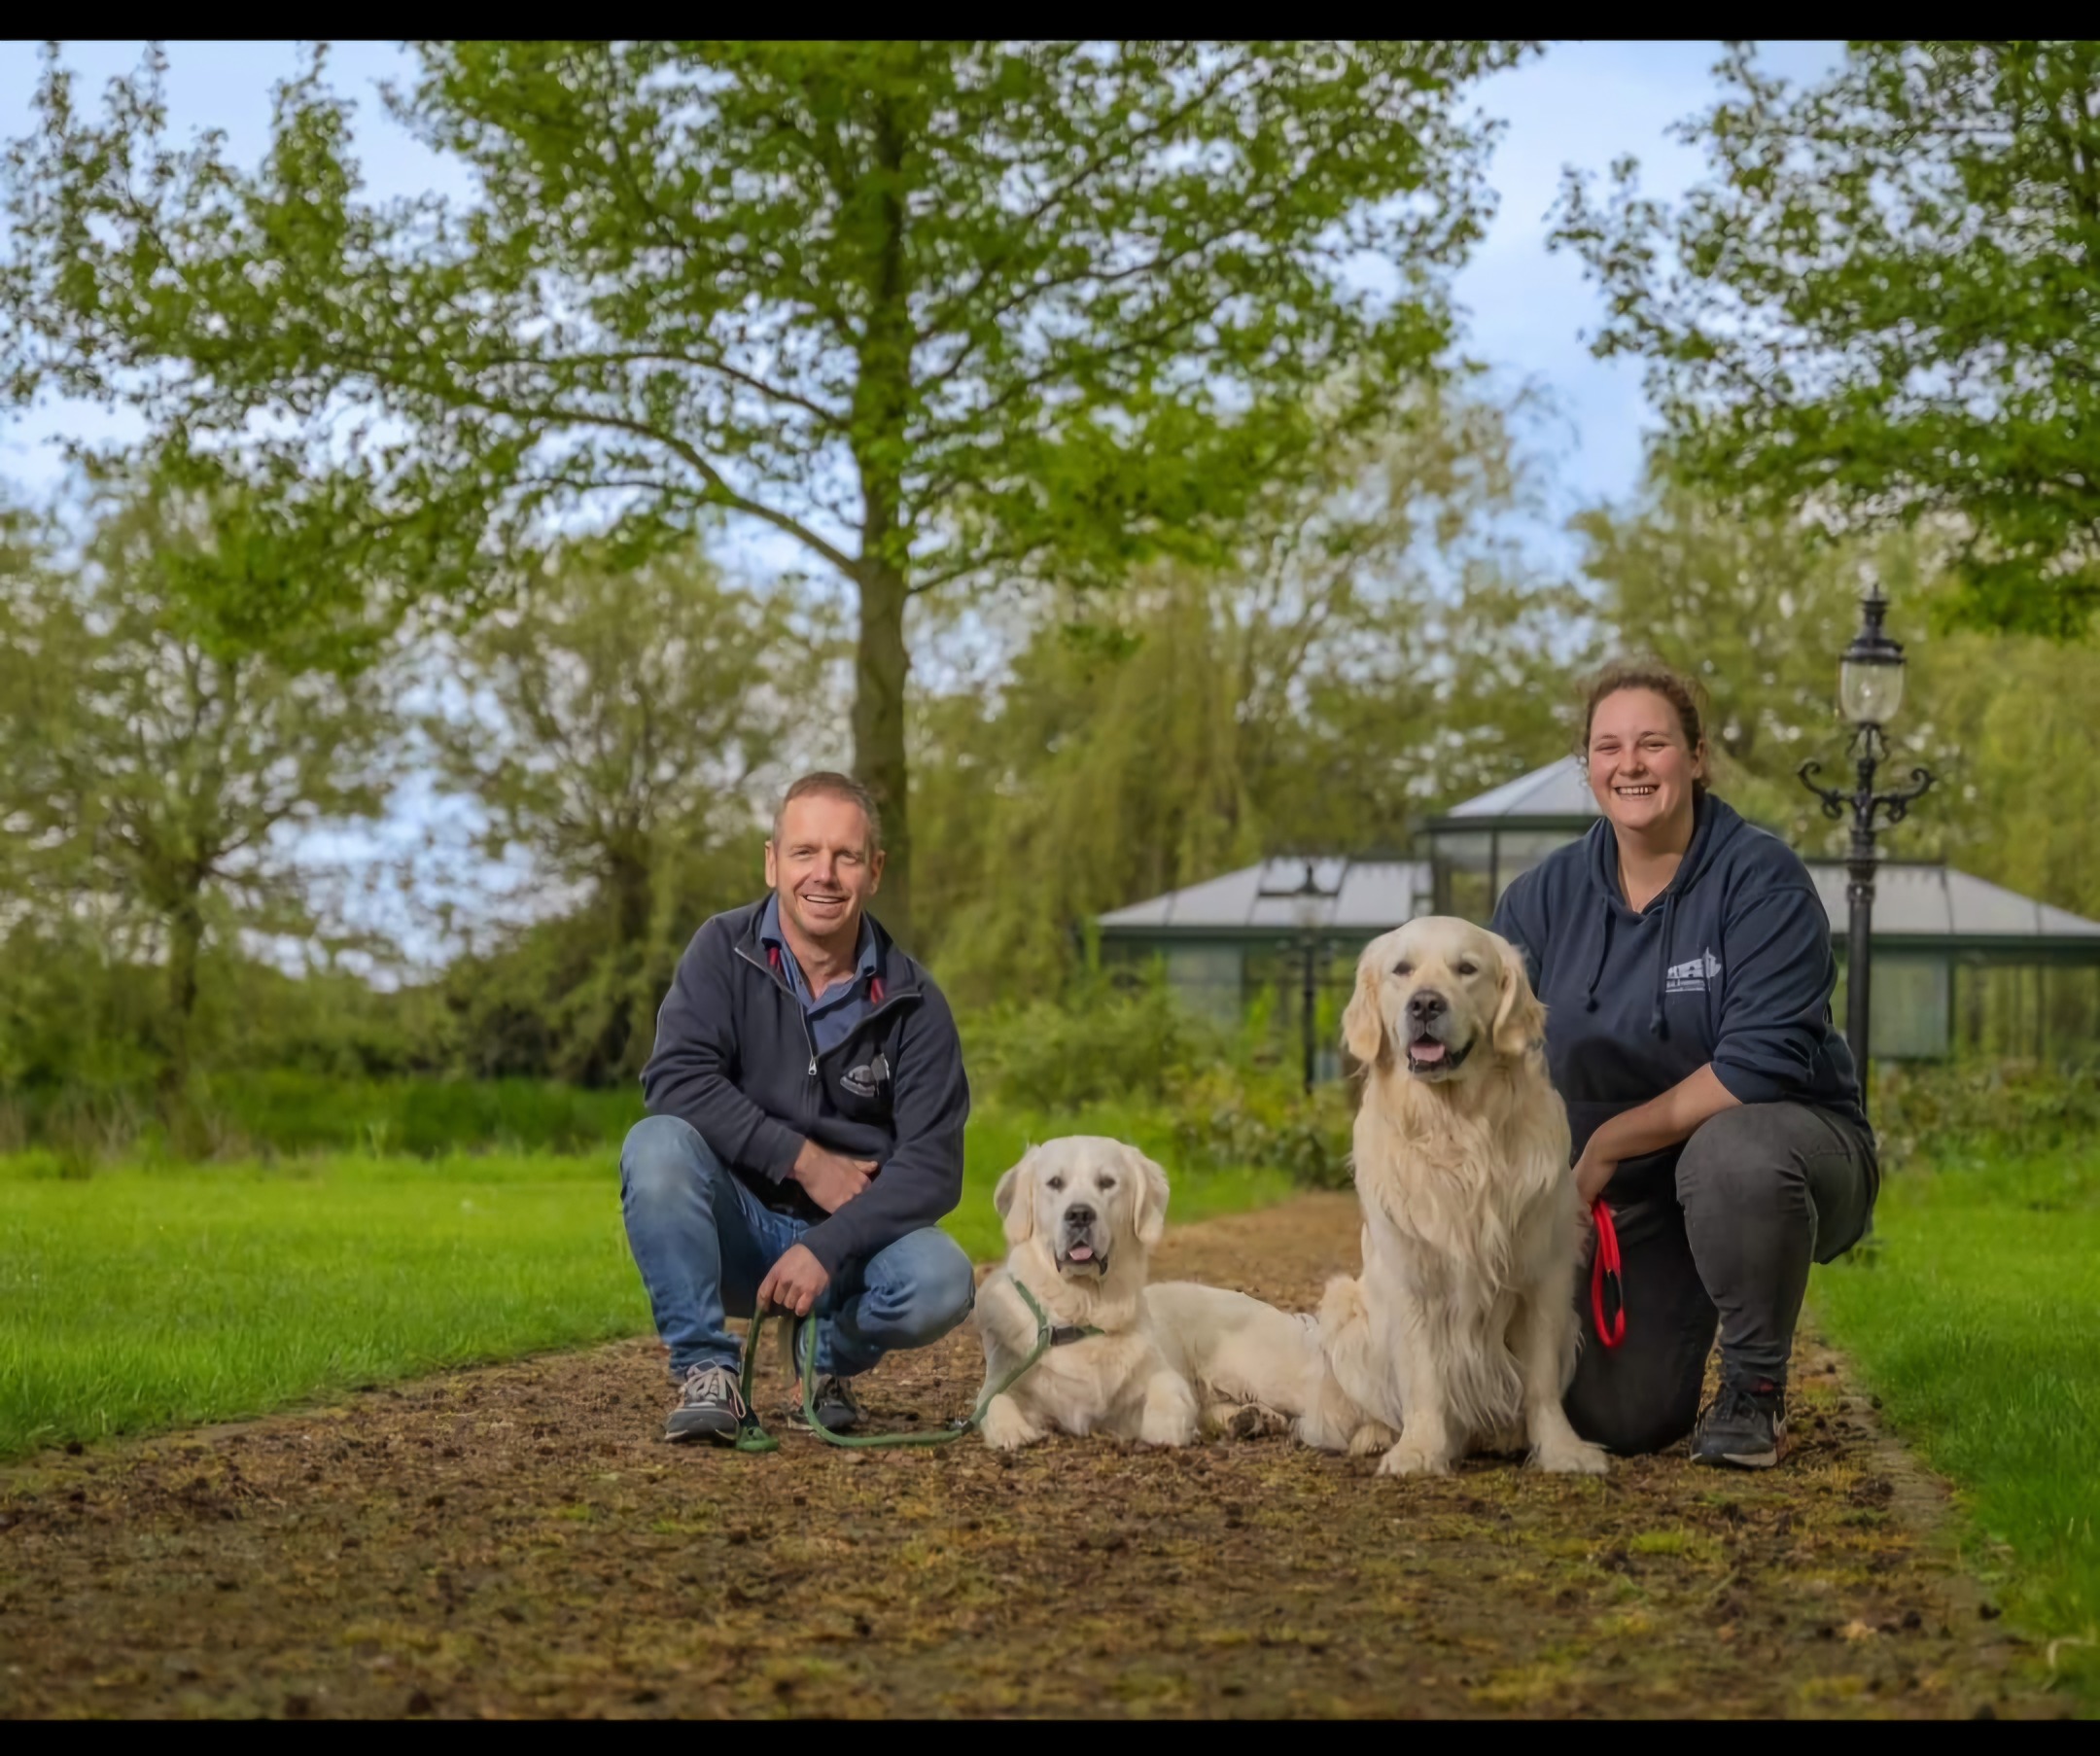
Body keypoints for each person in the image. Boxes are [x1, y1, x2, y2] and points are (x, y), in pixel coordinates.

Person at [1489, 662, 1877, 1469]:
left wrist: (1602, 1149)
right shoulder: (1541, 899)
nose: (1630, 764)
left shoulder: (1761, 880)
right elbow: (1496, 1057)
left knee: (1734, 1153)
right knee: (1614, 1420)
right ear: (1589, 766)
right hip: (1628, 1201)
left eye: (1654, 743)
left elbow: (1756, 1068)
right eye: (1609, 746)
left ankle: (1754, 1391)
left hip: (1784, 1157)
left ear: (1696, 758)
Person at [620, 771, 975, 1443]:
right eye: (806, 852)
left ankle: (821, 1360)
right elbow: (674, 1079)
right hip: (739, 1233)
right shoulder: (720, 952)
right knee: (655, 1145)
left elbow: (932, 1167)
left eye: (845, 856)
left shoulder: (916, 1001)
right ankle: (708, 1373)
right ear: (772, 861)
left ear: (874, 869)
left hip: (852, 1252)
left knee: (943, 1282)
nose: (825, 874)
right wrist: (804, 1161)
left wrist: (829, 1246)